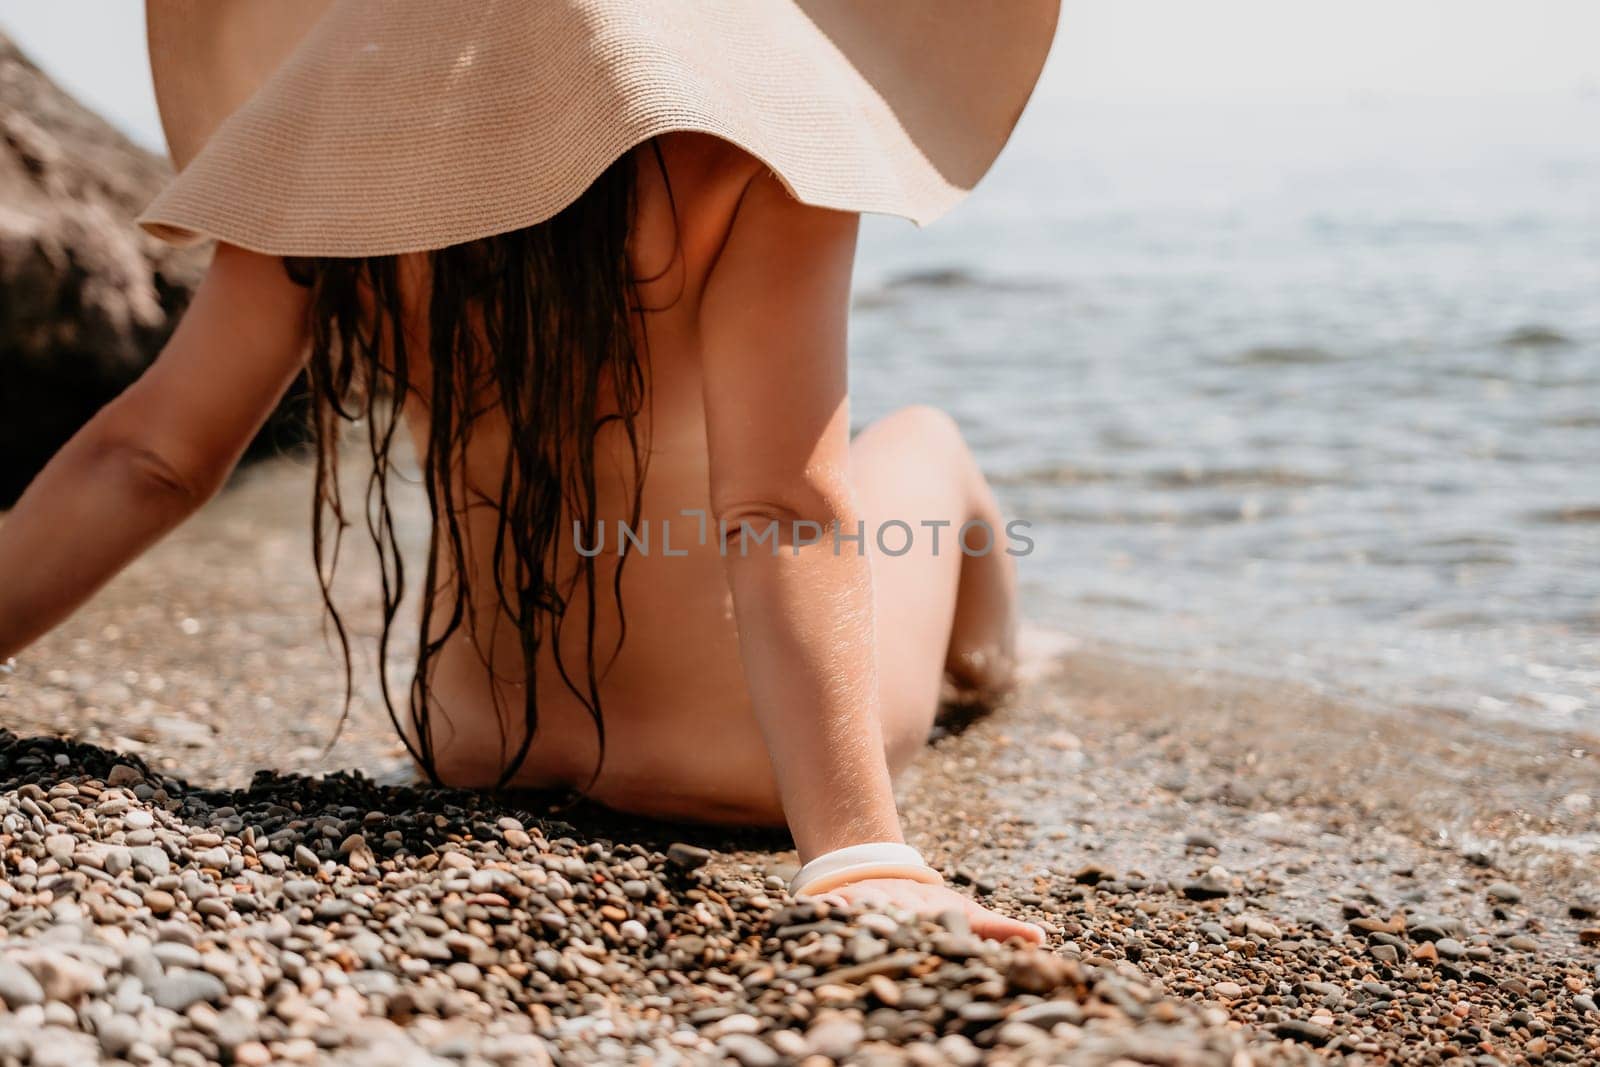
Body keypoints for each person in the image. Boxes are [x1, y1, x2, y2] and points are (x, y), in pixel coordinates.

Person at [0, 0, 1058, 942]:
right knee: (921, 440)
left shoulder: (332, 144)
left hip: (473, 737)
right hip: (742, 762)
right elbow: (778, 508)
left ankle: (1002, 663)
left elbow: (150, 456)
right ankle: (999, 664)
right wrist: (859, 853)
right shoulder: (753, 142)